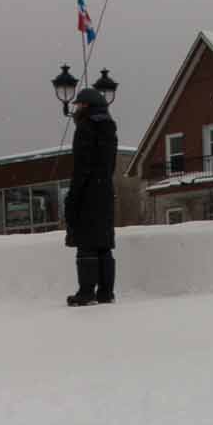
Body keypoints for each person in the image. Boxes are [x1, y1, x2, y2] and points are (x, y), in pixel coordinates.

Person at [62, 87, 120, 306]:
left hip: (88, 192)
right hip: (105, 190)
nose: (75, 108)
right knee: (103, 244)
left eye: (78, 105)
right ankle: (106, 292)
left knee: (86, 243)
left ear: (86, 106)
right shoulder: (110, 129)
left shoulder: (85, 128)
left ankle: (86, 293)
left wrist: (73, 196)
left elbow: (81, 167)